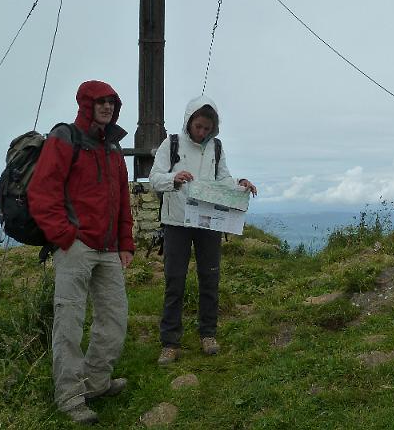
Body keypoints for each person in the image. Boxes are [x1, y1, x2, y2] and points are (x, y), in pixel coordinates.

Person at [28, 80, 135, 425]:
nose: (107, 107)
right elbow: (42, 192)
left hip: (107, 249)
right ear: (86, 104)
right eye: (100, 101)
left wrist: (126, 244)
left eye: (111, 102)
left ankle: (97, 382)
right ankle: (70, 396)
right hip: (75, 246)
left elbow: (121, 201)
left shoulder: (114, 148)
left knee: (115, 320)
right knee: (69, 324)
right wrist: (64, 237)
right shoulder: (65, 138)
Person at [149, 96, 257, 365]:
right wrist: (173, 178)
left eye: (207, 128)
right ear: (189, 122)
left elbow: (223, 180)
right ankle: (170, 342)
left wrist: (240, 185)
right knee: (175, 280)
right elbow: (154, 178)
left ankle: (208, 334)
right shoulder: (171, 143)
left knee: (210, 278)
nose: (202, 132)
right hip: (176, 222)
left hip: (208, 221)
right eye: (198, 126)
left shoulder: (216, 148)